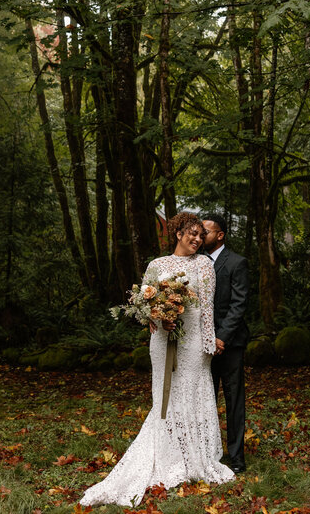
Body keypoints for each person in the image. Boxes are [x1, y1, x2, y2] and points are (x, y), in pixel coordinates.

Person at [80, 212, 234, 507]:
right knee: (166, 398)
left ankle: (194, 457)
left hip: (192, 345)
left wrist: (208, 343)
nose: (197, 239)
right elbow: (143, 307)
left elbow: (206, 308)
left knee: (192, 395)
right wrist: (159, 318)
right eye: (192, 234)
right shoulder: (157, 265)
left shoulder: (204, 265)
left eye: (201, 236)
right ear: (178, 234)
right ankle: (167, 454)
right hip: (163, 342)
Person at [201, 214, 250, 474]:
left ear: (220, 235)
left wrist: (221, 337)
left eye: (206, 231)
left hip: (230, 344)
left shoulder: (237, 263)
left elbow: (239, 304)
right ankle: (207, 454)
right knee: (204, 399)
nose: (201, 236)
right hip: (200, 345)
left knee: (234, 399)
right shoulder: (196, 262)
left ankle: (237, 457)